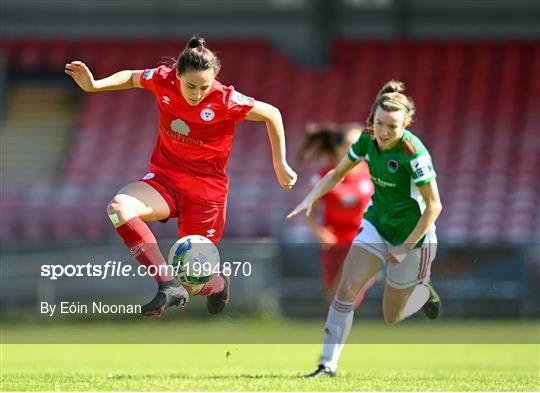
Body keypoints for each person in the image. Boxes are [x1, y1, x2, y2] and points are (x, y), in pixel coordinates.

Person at [65, 36, 297, 317]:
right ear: (177, 75)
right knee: (118, 209)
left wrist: (279, 163)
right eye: (190, 85)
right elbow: (132, 77)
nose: (197, 94)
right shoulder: (163, 79)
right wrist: (95, 85)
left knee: (195, 281)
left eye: (204, 86)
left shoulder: (225, 98)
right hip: (165, 180)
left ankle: (218, 283)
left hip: (205, 195)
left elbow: (271, 113)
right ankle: (166, 283)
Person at [288, 81, 442, 377]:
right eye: (379, 123)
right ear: (372, 120)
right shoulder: (366, 141)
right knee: (344, 290)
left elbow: (434, 206)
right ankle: (327, 366)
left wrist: (406, 246)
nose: (384, 132)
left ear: (406, 124)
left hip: (413, 236)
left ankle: (422, 292)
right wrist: (310, 199)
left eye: (392, 127)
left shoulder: (415, 153)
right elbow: (336, 173)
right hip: (376, 226)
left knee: (392, 316)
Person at [296, 122, 376, 309]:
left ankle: (366, 276)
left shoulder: (372, 173)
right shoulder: (325, 176)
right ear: (339, 148)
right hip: (334, 241)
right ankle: (335, 331)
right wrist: (319, 233)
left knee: (346, 286)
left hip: (362, 239)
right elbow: (310, 212)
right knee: (333, 297)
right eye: (350, 144)